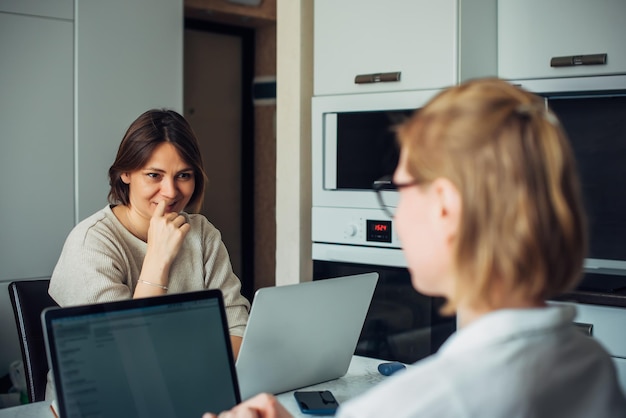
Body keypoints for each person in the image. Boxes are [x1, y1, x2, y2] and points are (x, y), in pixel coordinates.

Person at [203, 78, 626, 417]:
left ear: (445, 205)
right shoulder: (589, 361)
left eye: (401, 189)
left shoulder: (423, 402)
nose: (397, 215)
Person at [47, 109, 250, 399]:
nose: (170, 191)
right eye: (154, 175)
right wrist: (157, 259)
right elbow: (121, 361)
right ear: (125, 173)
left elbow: (238, 333)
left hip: (185, 392)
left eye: (183, 175)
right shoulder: (91, 243)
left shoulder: (202, 234)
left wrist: (171, 361)